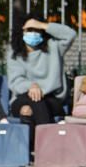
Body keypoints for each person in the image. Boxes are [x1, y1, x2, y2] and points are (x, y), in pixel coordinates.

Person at [7, 11, 76, 140]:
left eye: (37, 29)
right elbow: (15, 81)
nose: (33, 33)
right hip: (23, 97)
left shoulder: (54, 47)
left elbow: (70, 35)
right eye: (29, 29)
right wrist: (31, 86)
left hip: (51, 99)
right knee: (31, 102)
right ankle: (47, 144)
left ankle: (32, 149)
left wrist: (43, 25)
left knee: (29, 110)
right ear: (21, 32)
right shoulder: (14, 53)